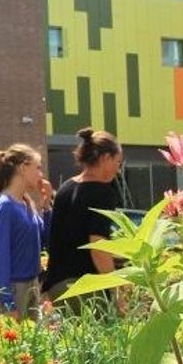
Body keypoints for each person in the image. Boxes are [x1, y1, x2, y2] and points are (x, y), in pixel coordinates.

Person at [44, 127, 123, 300]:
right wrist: (114, 288)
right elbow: (98, 245)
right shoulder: (103, 192)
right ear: (105, 158)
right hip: (87, 288)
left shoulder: (65, 188)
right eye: (118, 163)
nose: (118, 170)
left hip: (57, 286)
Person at [0, 143, 52, 317]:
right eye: (37, 168)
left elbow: (44, 240)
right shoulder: (4, 206)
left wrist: (46, 207)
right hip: (12, 290)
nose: (41, 174)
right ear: (23, 168)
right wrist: (8, 303)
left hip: (31, 286)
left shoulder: (26, 204)